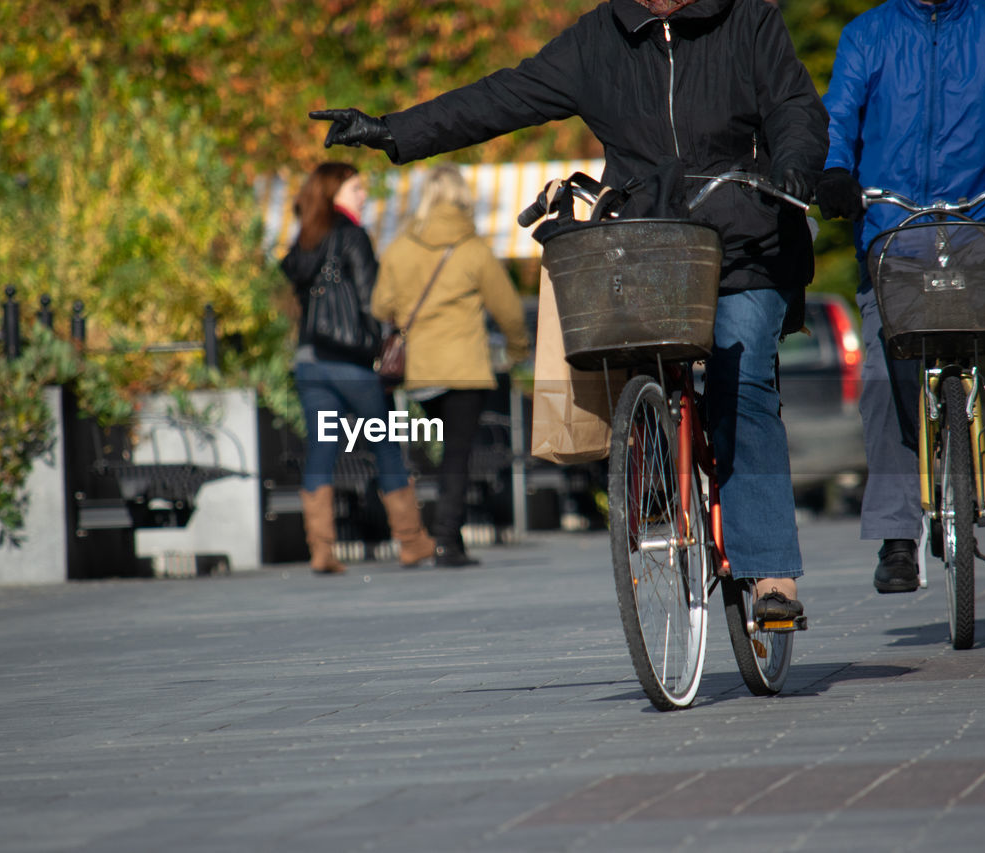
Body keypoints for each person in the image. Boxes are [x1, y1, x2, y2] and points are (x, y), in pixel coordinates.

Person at [313, 0, 828, 619]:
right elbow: (503, 96)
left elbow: (795, 106)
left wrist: (796, 163)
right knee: (626, 362)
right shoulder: (600, 39)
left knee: (740, 380)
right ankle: (656, 474)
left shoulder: (749, 20)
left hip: (748, 239)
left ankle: (771, 572)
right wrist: (394, 131)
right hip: (649, 243)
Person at [815, 0, 985, 593]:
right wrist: (834, 170)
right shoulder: (868, 35)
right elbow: (837, 114)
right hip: (896, 227)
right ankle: (897, 534)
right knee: (879, 364)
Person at [280, 162, 436, 574]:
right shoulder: (353, 236)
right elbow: (372, 301)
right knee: (385, 447)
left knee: (321, 449)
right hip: (351, 364)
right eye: (355, 188)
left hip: (310, 361)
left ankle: (322, 550)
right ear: (334, 194)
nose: (363, 195)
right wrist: (384, 341)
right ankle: (412, 542)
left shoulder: (304, 241)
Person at [372, 165, 531, 567]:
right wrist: (516, 350)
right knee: (458, 454)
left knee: (439, 452)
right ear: (462, 199)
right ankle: (447, 541)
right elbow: (509, 310)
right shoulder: (473, 249)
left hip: (421, 371)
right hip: (465, 368)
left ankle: (441, 533)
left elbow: (380, 306)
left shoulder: (400, 247)